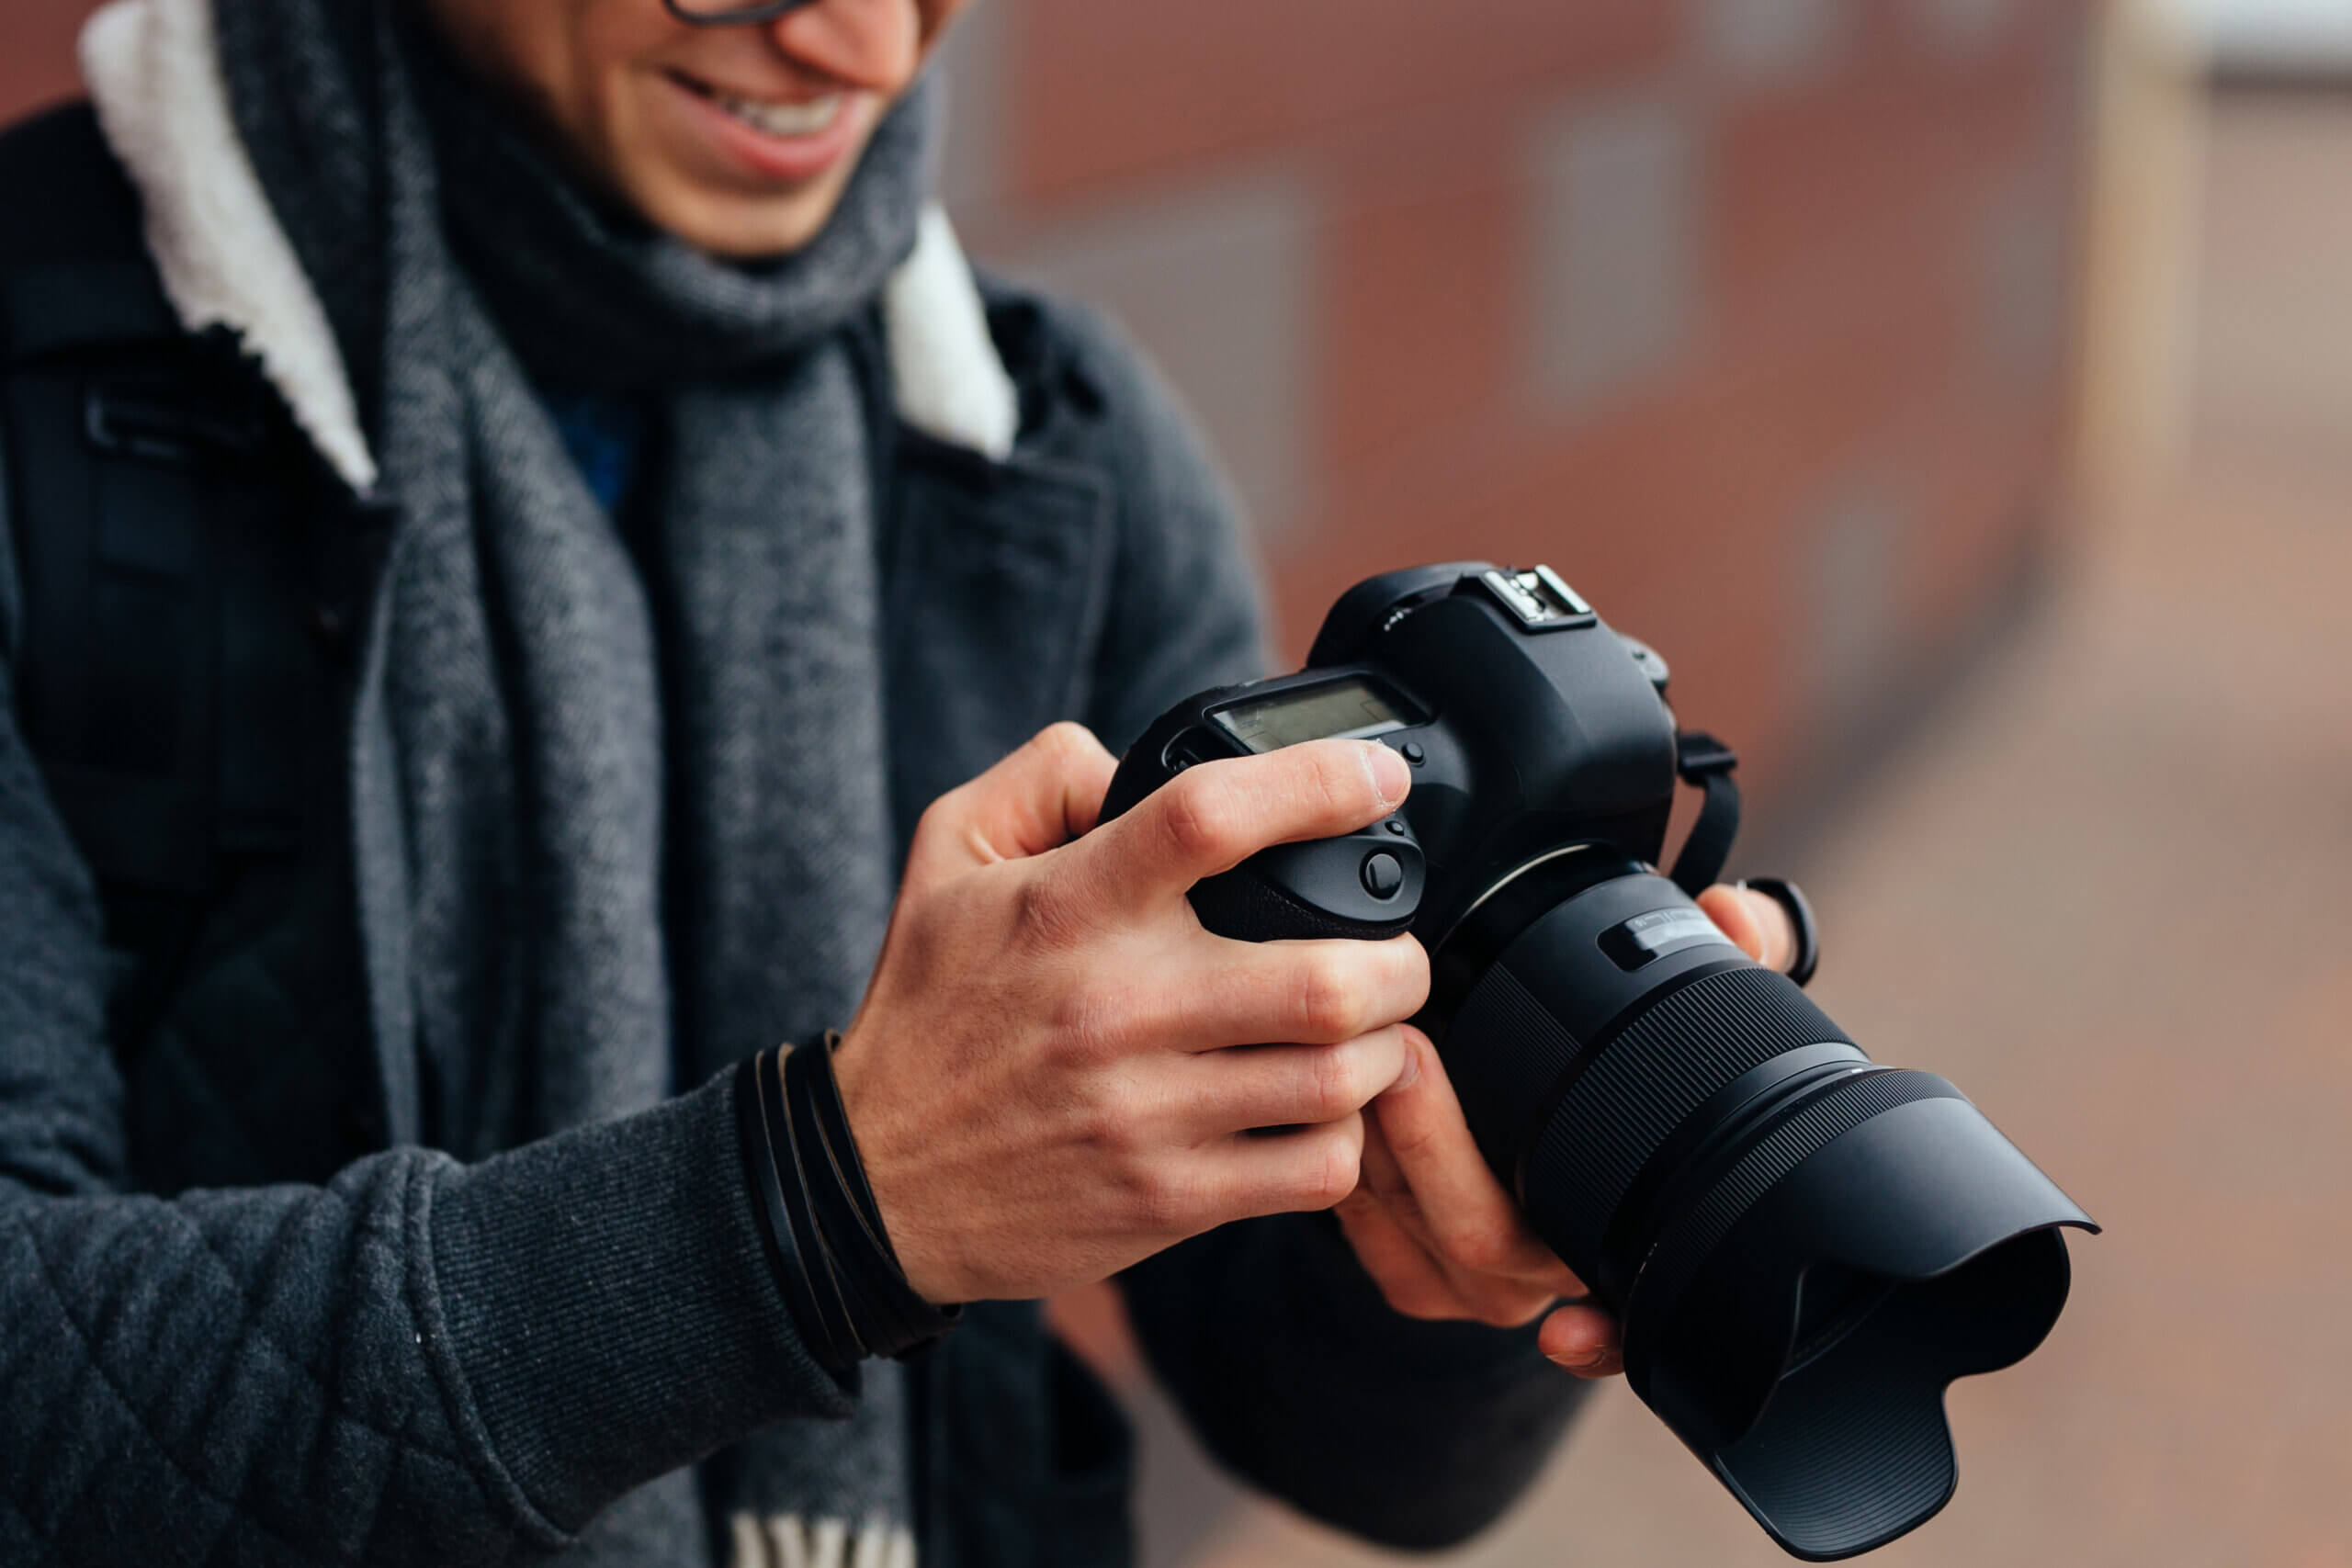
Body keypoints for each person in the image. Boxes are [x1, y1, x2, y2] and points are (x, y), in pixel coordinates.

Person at [0, 0, 1807, 1563]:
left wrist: (1472, 1243)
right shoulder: (37, 398)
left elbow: (1341, 1444)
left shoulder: (1053, 449)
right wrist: (821, 1201)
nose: (860, 44)